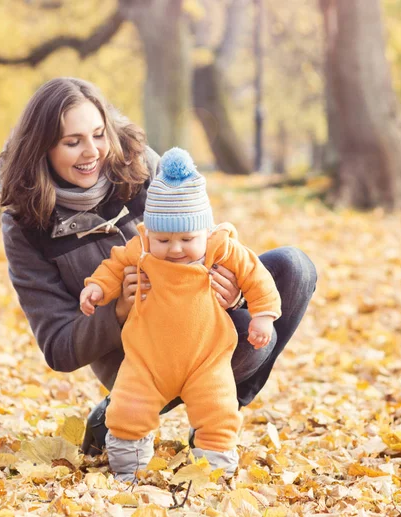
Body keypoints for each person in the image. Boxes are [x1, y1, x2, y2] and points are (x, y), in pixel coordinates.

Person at [0, 77, 317, 462]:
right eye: (72, 141)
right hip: (136, 355)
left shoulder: (139, 164)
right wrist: (117, 310)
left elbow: (201, 232)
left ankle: (214, 421)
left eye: (99, 134)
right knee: (247, 338)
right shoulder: (26, 225)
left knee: (293, 268)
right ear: (42, 148)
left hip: (198, 317)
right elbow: (58, 349)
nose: (92, 152)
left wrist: (233, 289)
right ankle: (120, 414)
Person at [79, 147, 281, 481]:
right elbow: (114, 266)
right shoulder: (141, 248)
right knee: (129, 409)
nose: (175, 249)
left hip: (207, 358)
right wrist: (97, 289)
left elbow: (255, 275)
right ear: (149, 233)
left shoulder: (221, 248)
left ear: (205, 232)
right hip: (147, 359)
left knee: (218, 410)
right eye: (164, 239)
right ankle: (129, 470)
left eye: (187, 238)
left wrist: (262, 315)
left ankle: (213, 470)